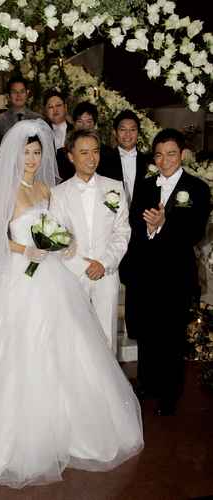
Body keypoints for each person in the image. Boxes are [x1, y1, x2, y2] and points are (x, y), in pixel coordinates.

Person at [0, 120, 143, 488]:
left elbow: (58, 227)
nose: (31, 157)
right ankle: (16, 437)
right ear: (14, 154)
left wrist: (66, 244)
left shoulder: (46, 188)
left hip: (51, 275)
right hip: (19, 277)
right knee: (21, 351)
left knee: (66, 346)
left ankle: (73, 429)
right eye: (25, 152)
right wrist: (24, 248)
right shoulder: (6, 190)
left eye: (37, 151)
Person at [123, 129, 212, 416]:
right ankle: (148, 383)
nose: (165, 160)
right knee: (148, 332)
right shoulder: (146, 185)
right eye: (159, 154)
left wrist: (163, 225)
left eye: (171, 154)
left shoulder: (198, 189)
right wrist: (148, 229)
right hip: (145, 273)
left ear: (182, 155)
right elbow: (134, 224)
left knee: (171, 336)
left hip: (176, 275)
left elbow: (196, 232)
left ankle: (171, 392)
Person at [50, 129, 131, 353]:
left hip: (107, 273)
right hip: (73, 275)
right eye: (84, 152)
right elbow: (56, 238)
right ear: (71, 156)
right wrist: (84, 266)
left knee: (107, 338)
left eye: (95, 151)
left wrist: (103, 263)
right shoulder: (57, 194)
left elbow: (122, 231)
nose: (91, 158)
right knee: (75, 338)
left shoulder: (114, 187)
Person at [98, 110, 151, 209]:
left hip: (141, 219)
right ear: (115, 132)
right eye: (123, 129)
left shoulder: (148, 162)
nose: (128, 134)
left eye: (132, 129)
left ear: (138, 132)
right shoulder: (103, 161)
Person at [0, 75, 43, 155]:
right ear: (8, 96)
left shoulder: (38, 119)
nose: (19, 95)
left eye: (22, 91)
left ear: (27, 94)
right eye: (14, 92)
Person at [44, 89, 74, 182]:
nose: (55, 109)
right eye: (50, 107)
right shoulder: (41, 133)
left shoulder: (76, 131)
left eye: (58, 105)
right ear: (45, 111)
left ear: (65, 107)